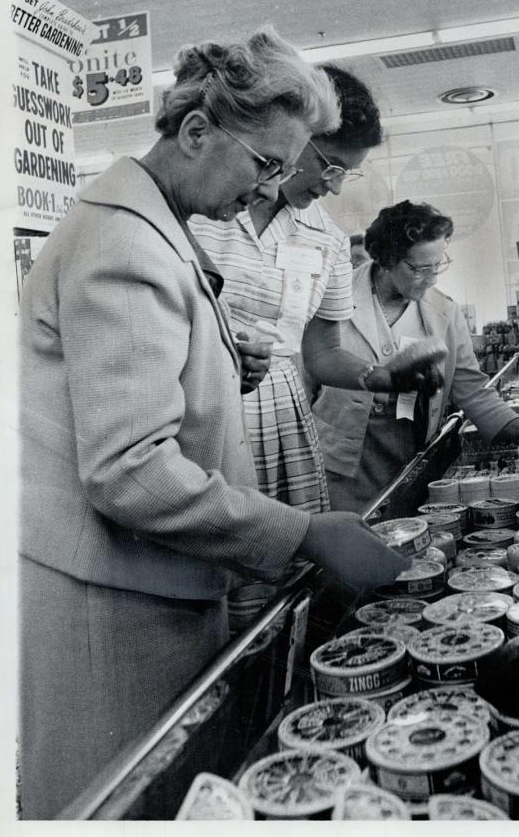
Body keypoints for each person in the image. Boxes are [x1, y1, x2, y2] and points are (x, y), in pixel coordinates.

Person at [18, 31, 409, 820]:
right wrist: (302, 532)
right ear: (196, 132)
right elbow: (129, 470)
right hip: (119, 600)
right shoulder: (127, 245)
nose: (268, 187)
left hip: (148, 574)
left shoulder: (151, 221)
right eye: (265, 164)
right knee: (133, 800)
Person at [189, 66, 441, 627]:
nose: (331, 185)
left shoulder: (323, 238)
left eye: (344, 175)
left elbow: (320, 352)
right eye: (329, 165)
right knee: (214, 575)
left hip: (282, 418)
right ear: (294, 135)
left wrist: (382, 376)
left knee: (287, 581)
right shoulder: (202, 212)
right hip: (204, 411)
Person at [312, 200, 519, 514]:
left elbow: (472, 391)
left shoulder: (444, 312)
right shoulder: (332, 297)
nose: (432, 278)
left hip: (411, 457)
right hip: (345, 462)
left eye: (439, 265)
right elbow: (304, 383)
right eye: (421, 268)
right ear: (388, 259)